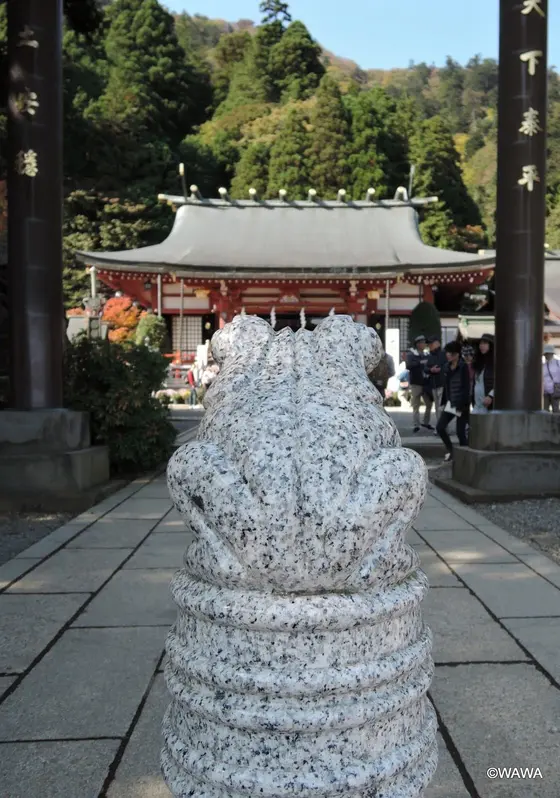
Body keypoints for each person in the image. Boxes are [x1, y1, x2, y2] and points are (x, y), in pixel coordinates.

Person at [437, 341, 471, 462]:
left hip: (462, 405)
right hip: (451, 403)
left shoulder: (463, 367)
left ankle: (465, 457)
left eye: (450, 353)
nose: (448, 355)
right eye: (447, 353)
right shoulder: (446, 367)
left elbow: (466, 387)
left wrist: (463, 404)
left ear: (457, 354)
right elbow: (446, 386)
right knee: (440, 427)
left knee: (460, 432)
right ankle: (451, 450)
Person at [406, 335, 432, 433]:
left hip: (425, 382)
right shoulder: (411, 354)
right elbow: (408, 365)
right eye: (423, 342)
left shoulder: (427, 354)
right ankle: (416, 424)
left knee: (429, 403)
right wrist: (421, 362)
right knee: (416, 404)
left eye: (425, 342)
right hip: (415, 382)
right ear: (418, 344)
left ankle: (426, 421)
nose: (424, 344)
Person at [424, 335, 447, 424]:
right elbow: (425, 368)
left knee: (442, 407)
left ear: (437, 343)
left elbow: (446, 366)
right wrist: (431, 370)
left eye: (431, 343)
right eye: (429, 344)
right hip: (434, 384)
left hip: (442, 383)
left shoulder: (443, 354)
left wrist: (440, 369)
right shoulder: (430, 355)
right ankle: (440, 426)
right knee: (437, 407)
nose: (429, 345)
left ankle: (442, 426)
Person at [472, 333, 495, 413]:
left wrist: (491, 396)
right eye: (481, 343)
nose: (482, 345)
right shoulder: (479, 363)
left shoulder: (496, 363)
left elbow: (502, 382)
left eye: (485, 343)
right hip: (477, 405)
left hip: (490, 406)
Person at [543, 343, 560, 413]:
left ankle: (556, 423)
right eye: (546, 354)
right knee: (545, 410)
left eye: (548, 353)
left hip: (555, 390)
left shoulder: (558, 363)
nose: (547, 355)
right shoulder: (543, 366)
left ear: (552, 354)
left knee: (555, 410)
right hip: (546, 391)